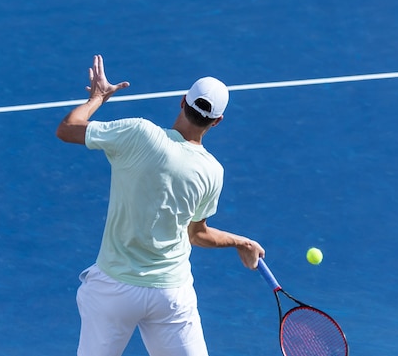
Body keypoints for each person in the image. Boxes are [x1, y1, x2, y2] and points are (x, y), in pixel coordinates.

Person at [56, 55, 265, 356]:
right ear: (218, 121)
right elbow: (198, 234)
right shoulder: (212, 172)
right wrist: (240, 242)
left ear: (183, 102)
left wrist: (97, 98)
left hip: (114, 292)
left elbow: (68, 129)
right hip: (171, 295)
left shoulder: (138, 133)